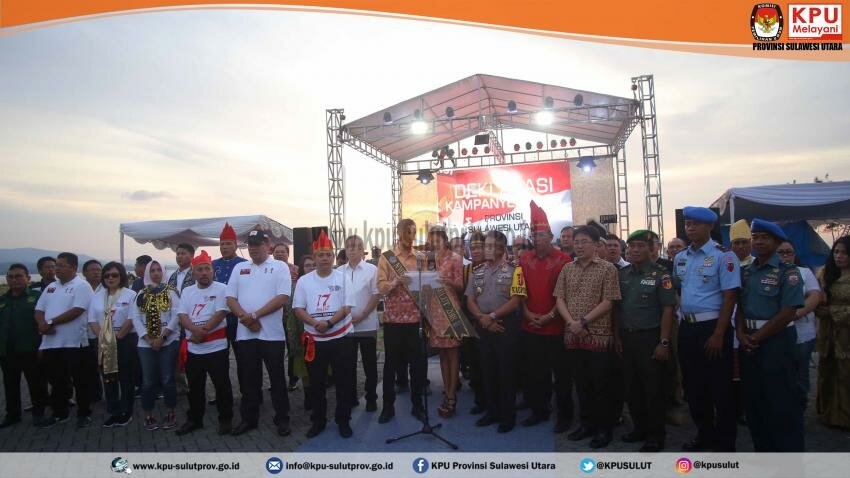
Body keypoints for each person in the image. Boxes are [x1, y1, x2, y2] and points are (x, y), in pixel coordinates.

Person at [673, 207, 740, 452]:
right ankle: (704, 435)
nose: (690, 228)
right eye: (688, 224)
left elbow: (730, 297)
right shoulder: (681, 257)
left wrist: (719, 334)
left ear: (710, 227)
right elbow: (677, 288)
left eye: (696, 224)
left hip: (713, 327)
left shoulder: (724, 256)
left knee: (720, 389)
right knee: (694, 387)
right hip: (688, 328)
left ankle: (725, 443)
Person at [737, 219, 805, 451]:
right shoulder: (747, 272)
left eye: (764, 237)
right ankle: (764, 452)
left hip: (776, 341)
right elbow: (740, 306)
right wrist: (741, 333)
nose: (758, 241)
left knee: (782, 401)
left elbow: (788, 312)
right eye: (755, 237)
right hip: (748, 341)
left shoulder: (788, 272)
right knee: (754, 401)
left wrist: (756, 338)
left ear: (777, 242)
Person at [555, 225, 621, 448]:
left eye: (584, 241)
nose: (579, 246)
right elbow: (559, 299)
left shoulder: (607, 269)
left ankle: (604, 429)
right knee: (581, 384)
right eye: (577, 242)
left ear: (596, 244)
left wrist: (583, 322)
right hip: (573, 335)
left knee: (601, 385)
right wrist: (572, 323)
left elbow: (609, 301)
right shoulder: (567, 268)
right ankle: (586, 424)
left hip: (597, 336)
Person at [225, 229, 292, 437]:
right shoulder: (240, 268)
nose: (253, 248)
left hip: (272, 335)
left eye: (257, 244)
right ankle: (249, 419)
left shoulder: (279, 266)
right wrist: (244, 317)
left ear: (268, 245)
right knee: (249, 380)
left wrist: (254, 316)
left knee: (277, 379)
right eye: (250, 245)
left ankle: (282, 419)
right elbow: (230, 298)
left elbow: (282, 297)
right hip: (246, 334)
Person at [614, 230, 676, 452]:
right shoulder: (623, 274)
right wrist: (617, 336)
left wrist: (664, 342)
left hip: (650, 338)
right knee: (632, 388)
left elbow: (668, 310)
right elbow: (617, 309)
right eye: (632, 246)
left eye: (640, 246)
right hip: (627, 337)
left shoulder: (661, 275)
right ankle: (639, 428)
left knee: (653, 389)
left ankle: (655, 435)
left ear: (651, 249)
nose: (635, 250)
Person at [293, 231, 356, 438]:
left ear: (333, 256)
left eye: (329, 254)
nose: (325, 258)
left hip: (341, 337)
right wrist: (315, 323)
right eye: (321, 255)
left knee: (344, 382)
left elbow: (347, 306)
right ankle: (318, 421)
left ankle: (343, 420)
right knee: (316, 383)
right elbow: (298, 309)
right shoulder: (304, 281)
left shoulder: (343, 277)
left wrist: (329, 323)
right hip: (315, 339)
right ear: (315, 257)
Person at [519, 201, 573, 432]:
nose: (537, 238)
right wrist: (526, 312)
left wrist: (550, 316)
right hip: (530, 326)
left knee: (562, 376)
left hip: (557, 327)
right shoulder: (524, 259)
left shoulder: (564, 260)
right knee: (535, 374)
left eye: (541, 235)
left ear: (550, 236)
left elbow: (567, 294)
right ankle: (539, 411)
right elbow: (518, 291)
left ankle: (565, 416)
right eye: (534, 235)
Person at [466, 230, 526, 433]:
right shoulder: (477, 271)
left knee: (506, 373)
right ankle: (492, 412)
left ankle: (507, 417)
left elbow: (516, 301)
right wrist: (482, 318)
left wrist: (491, 316)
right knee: (487, 371)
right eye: (486, 245)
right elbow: (470, 299)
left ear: (502, 248)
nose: (487, 249)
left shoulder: (516, 271)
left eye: (492, 246)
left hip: (505, 326)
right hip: (482, 325)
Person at [174, 251, 233, 436]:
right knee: (195, 387)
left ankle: (225, 419)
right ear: (193, 273)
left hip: (216, 347)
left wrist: (202, 331)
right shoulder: (187, 291)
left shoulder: (222, 289)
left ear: (212, 271)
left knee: (222, 385)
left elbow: (221, 313)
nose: (204, 273)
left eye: (207, 269)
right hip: (194, 349)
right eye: (200, 269)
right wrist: (194, 330)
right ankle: (195, 419)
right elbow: (182, 315)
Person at [376, 218, 428, 424]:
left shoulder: (421, 258)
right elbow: (381, 288)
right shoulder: (387, 258)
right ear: (398, 233)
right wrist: (396, 281)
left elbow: (427, 286)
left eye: (413, 232)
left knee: (417, 365)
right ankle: (388, 406)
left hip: (415, 319)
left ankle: (417, 405)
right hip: (393, 320)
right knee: (391, 364)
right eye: (407, 232)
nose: (411, 236)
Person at [35, 252, 95, 428]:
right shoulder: (51, 287)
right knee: (57, 380)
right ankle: (60, 413)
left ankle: (84, 413)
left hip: (74, 343)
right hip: (51, 343)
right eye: (56, 265)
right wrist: (42, 324)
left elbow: (77, 310)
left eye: (61, 265)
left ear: (73, 267)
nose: (57, 269)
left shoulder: (81, 286)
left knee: (80, 380)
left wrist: (51, 322)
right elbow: (39, 309)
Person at [87, 262, 138, 427]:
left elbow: (132, 318)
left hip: (125, 340)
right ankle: (113, 410)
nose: (110, 278)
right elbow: (92, 320)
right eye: (107, 275)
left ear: (121, 276)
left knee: (126, 377)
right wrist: (103, 338)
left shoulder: (130, 294)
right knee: (108, 377)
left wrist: (118, 336)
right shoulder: (98, 296)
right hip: (104, 342)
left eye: (114, 275)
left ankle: (126, 410)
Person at [131, 260, 181, 430]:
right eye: (152, 270)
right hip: (146, 344)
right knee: (148, 380)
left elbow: (177, 315)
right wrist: (148, 338)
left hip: (168, 341)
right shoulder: (141, 293)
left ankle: (171, 413)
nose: (156, 273)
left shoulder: (172, 292)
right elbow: (135, 317)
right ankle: (148, 414)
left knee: (167, 379)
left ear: (164, 272)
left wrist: (162, 337)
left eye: (159, 270)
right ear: (147, 273)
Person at [776, 241, 822, 412]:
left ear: (795, 254)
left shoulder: (804, 272)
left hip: (801, 333)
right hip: (775, 333)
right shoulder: (768, 273)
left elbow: (815, 296)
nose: (785, 255)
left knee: (800, 376)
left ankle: (798, 411)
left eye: (789, 252)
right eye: (781, 252)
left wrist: (793, 315)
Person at [0, 264, 48, 428]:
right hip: (7, 351)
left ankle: (39, 413)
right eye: (11, 277)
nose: (14, 280)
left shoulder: (37, 297)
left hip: (31, 349)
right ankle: (12, 415)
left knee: (36, 383)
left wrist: (43, 346)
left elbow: (45, 323)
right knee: (10, 384)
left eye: (18, 276)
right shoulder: (3, 300)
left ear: (28, 278)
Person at [425, 226, 466, 418]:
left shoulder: (455, 258)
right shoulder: (429, 260)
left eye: (437, 240)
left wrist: (446, 281)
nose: (434, 243)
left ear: (444, 239)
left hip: (450, 310)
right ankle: (447, 390)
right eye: (431, 240)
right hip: (434, 310)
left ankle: (452, 395)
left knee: (453, 352)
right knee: (442, 354)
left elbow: (461, 286)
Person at [340, 235, 381, 412]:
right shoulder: (339, 271)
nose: (353, 249)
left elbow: (377, 295)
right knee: (348, 365)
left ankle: (371, 398)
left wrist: (363, 315)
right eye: (349, 246)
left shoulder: (372, 270)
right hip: (345, 326)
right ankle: (351, 397)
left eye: (357, 246)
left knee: (370, 365)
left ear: (362, 249)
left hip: (367, 325)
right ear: (345, 249)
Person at [815, 235, 850, 430]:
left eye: (844, 253)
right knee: (827, 371)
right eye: (836, 252)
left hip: (846, 334)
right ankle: (828, 413)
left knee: (845, 374)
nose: (839, 256)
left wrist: (833, 312)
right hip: (827, 333)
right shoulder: (825, 273)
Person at [460, 231, 486, 414]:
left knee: (489, 365)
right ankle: (480, 401)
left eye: (479, 247)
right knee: (474, 364)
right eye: (473, 247)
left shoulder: (494, 266)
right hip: (470, 322)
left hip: (490, 322)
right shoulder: (466, 270)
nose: (475, 251)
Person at [286, 254, 316, 409]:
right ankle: (309, 396)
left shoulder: (322, 284)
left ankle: (318, 394)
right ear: (302, 269)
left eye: (313, 265)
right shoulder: (295, 287)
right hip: (300, 333)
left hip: (319, 332)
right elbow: (290, 313)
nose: (311, 268)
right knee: (304, 367)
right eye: (308, 265)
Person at [272, 243, 301, 391]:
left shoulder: (295, 269)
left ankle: (293, 379)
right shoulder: (268, 270)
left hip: (291, 315)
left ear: (288, 254)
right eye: (277, 252)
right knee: (274, 351)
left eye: (282, 252)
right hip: (273, 315)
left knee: (292, 348)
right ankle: (276, 381)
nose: (279, 254)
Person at [82, 259, 104, 403]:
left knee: (104, 366)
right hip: (84, 334)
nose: (96, 272)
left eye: (98, 270)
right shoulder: (80, 288)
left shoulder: (107, 287)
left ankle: (111, 394)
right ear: (85, 273)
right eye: (92, 270)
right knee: (88, 367)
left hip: (101, 333)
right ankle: (94, 394)